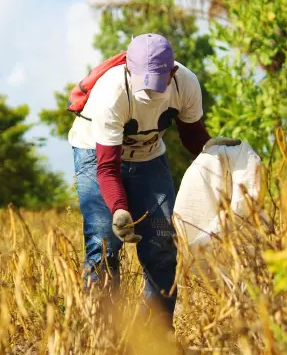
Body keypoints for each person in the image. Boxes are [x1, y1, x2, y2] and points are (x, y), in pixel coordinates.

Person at [67, 33, 239, 327]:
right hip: (96, 153)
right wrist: (119, 209)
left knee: (162, 243)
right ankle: (102, 335)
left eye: (157, 83)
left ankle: (156, 338)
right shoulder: (112, 92)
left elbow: (191, 135)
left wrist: (215, 152)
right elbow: (107, 169)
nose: (149, 93)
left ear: (172, 72)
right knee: (104, 243)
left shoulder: (186, 84)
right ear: (128, 70)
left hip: (148, 155)